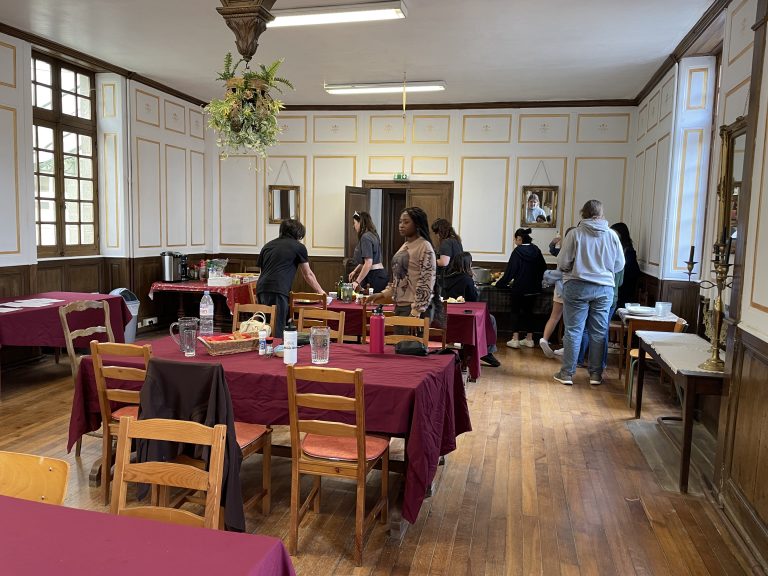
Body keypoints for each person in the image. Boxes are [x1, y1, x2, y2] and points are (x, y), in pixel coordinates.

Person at [554, 200, 625, 386]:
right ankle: (595, 375)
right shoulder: (612, 236)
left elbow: (562, 262)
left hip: (577, 285)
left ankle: (567, 374)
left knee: (573, 331)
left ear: (582, 214)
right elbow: (619, 265)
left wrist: (575, 268)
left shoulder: (576, 234)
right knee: (599, 332)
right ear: (601, 214)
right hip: (604, 289)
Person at [368, 207, 441, 323]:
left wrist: (416, 311)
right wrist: (382, 295)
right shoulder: (406, 245)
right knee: (398, 341)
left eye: (406, 222)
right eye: (400, 222)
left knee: (411, 342)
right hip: (401, 306)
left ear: (417, 224)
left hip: (415, 309)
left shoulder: (424, 246)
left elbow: (427, 281)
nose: (401, 225)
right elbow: (399, 279)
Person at [256, 219, 325, 338]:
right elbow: (307, 274)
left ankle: (265, 352)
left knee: (265, 326)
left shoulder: (267, 246)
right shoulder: (298, 247)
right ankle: (277, 353)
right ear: (298, 233)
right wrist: (321, 292)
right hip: (278, 289)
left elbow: (262, 272)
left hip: (261, 289)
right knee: (278, 327)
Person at [443, 251, 501, 367]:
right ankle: (487, 351)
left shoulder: (445, 278)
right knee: (491, 319)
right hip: (465, 317)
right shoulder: (467, 279)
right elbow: (473, 299)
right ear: (468, 264)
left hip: (446, 316)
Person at [496, 227, 547, 349]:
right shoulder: (536, 250)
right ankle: (529, 339)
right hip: (534, 288)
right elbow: (543, 268)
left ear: (519, 238)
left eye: (515, 238)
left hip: (520, 288)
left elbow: (510, 272)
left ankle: (515, 339)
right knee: (530, 312)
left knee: (515, 312)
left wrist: (500, 283)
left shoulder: (517, 252)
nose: (514, 240)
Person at [539, 227, 575, 358]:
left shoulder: (562, 252)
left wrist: (553, 242)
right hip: (572, 289)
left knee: (554, 317)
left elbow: (552, 250)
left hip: (559, 288)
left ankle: (544, 339)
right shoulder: (578, 252)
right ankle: (567, 347)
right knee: (570, 321)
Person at [348, 211, 388, 293]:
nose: (354, 226)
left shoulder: (365, 237)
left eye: (355, 223)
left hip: (375, 276)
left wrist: (357, 281)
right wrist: (355, 271)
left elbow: (368, 263)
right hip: (378, 274)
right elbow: (365, 261)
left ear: (360, 223)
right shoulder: (373, 234)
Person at [610, 222, 640, 309]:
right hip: (619, 285)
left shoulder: (629, 251)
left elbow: (628, 272)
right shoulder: (619, 249)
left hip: (625, 288)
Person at [431, 218, 464, 297]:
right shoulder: (456, 240)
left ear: (441, 231)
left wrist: (430, 261)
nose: (436, 235)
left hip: (448, 278)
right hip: (457, 277)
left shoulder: (446, 242)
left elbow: (444, 262)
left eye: (436, 232)